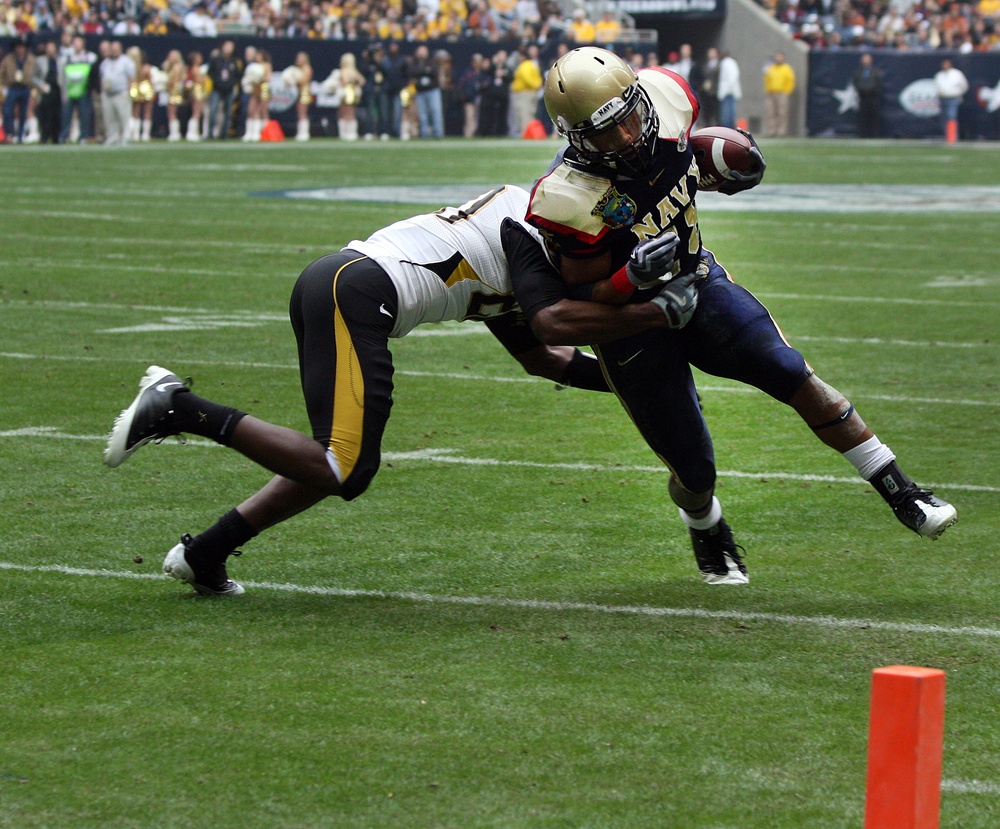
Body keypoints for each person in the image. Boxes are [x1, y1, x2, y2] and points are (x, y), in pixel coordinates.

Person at [103, 186, 680, 597]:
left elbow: (543, 358)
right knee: (343, 465)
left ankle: (206, 552)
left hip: (344, 288)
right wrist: (648, 319)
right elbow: (556, 324)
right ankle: (180, 407)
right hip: (353, 292)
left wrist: (632, 382)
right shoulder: (528, 234)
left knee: (345, 461)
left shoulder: (531, 251)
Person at [524, 47, 957, 585]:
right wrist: (628, 281)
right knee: (694, 469)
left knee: (787, 368)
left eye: (630, 119)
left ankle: (900, 490)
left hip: (697, 283)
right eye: (606, 134)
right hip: (631, 328)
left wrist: (719, 168)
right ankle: (705, 525)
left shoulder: (671, 97)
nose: (627, 138)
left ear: (641, 97)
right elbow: (582, 301)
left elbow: (687, 163)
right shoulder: (568, 197)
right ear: (577, 139)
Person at [58, 35, 95, 143]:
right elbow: (62, 76)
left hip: (83, 90)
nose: (76, 45)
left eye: (79, 42)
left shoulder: (90, 57)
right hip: (70, 90)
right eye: (75, 42)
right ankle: (65, 135)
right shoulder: (67, 58)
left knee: (84, 115)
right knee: (66, 115)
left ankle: (83, 135)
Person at [99, 40, 135, 146]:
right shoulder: (105, 62)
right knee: (109, 117)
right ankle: (112, 137)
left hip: (121, 92)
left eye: (116, 49)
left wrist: (129, 91)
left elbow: (131, 77)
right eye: (112, 49)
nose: (114, 51)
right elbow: (102, 77)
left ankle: (126, 136)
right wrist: (102, 92)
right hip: (108, 93)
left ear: (120, 50)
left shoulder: (126, 61)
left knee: (123, 116)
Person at [1, 35, 35, 143]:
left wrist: (34, 88)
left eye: (22, 47)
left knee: (23, 112)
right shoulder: (8, 59)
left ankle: (20, 135)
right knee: (8, 111)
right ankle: (10, 133)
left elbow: (36, 75)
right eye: (18, 47)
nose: (20, 49)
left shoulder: (31, 59)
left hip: (26, 87)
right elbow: (1, 73)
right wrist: (3, 86)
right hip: (12, 87)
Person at [206, 40, 239, 140]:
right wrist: (217, 82)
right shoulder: (216, 59)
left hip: (228, 89)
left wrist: (231, 83)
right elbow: (210, 72)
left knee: (228, 112)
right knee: (213, 111)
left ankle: (224, 134)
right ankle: (210, 133)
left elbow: (237, 75)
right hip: (217, 89)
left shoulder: (234, 61)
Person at [411, 44, 443, 139]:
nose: (421, 54)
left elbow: (434, 72)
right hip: (420, 91)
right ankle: (424, 133)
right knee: (422, 114)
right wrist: (424, 71)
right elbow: (412, 72)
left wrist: (422, 72)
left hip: (432, 90)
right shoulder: (415, 62)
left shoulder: (431, 61)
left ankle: (438, 133)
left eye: (423, 51)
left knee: (435, 111)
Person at [510, 43, 542, 137]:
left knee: (523, 114)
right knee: (530, 114)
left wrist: (534, 86)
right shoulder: (532, 65)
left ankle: (525, 133)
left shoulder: (524, 65)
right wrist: (536, 86)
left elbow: (527, 78)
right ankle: (531, 133)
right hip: (531, 92)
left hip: (524, 93)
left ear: (523, 57)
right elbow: (538, 77)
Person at [32, 38, 60, 143]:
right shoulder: (40, 61)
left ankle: (55, 137)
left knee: (56, 116)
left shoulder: (60, 61)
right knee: (45, 116)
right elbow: (33, 77)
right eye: (49, 48)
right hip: (45, 92)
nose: (51, 50)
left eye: (52, 48)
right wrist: (41, 85)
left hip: (57, 91)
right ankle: (44, 137)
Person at [934, 58, 968, 140]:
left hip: (953, 98)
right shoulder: (939, 75)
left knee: (951, 116)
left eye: (947, 64)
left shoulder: (956, 74)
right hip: (942, 98)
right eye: (944, 64)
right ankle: (947, 136)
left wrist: (959, 94)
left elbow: (964, 85)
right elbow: (936, 87)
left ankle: (952, 137)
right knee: (943, 118)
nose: (945, 66)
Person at [763, 51, 795, 137]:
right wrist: (767, 89)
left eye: (780, 57)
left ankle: (781, 131)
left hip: (782, 93)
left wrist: (787, 91)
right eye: (777, 57)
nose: (778, 58)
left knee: (782, 113)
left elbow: (790, 81)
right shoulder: (771, 68)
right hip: (771, 93)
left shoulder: (786, 68)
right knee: (771, 112)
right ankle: (771, 131)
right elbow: (767, 79)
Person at [853, 52, 884, 138]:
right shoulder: (859, 71)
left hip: (873, 96)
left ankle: (874, 134)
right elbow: (855, 82)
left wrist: (872, 90)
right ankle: (862, 134)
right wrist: (861, 89)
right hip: (862, 96)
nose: (865, 61)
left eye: (867, 59)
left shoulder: (875, 71)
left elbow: (879, 83)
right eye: (864, 59)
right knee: (862, 116)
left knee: (873, 115)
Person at [126, 46, 154, 142]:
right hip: (144, 88)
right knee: (146, 112)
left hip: (138, 88)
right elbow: (150, 79)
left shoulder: (132, 67)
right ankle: (144, 134)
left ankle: (135, 134)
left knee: (135, 112)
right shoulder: (145, 68)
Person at [162, 49, 184, 141]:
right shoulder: (173, 67)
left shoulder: (176, 67)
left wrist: (165, 84)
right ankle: (174, 133)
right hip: (172, 91)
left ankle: (174, 133)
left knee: (172, 113)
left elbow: (174, 81)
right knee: (172, 113)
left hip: (173, 92)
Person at [184, 50, 206, 141]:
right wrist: (205, 79)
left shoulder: (192, 69)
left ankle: (194, 132)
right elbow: (199, 81)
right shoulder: (196, 69)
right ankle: (191, 133)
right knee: (196, 113)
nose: (201, 58)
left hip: (195, 91)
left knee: (196, 113)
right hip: (198, 91)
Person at [716, 50, 741, 129]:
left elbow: (732, 77)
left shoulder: (727, 63)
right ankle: (729, 127)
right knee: (729, 112)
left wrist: (727, 90)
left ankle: (728, 128)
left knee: (727, 113)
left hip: (728, 92)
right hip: (729, 91)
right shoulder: (730, 62)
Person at [291, 51, 313, 141]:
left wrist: (293, 79)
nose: (298, 60)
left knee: (302, 113)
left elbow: (303, 81)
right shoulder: (298, 69)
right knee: (300, 113)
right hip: (299, 92)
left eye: (300, 58)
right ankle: (301, 132)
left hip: (304, 93)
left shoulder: (307, 68)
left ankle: (304, 133)